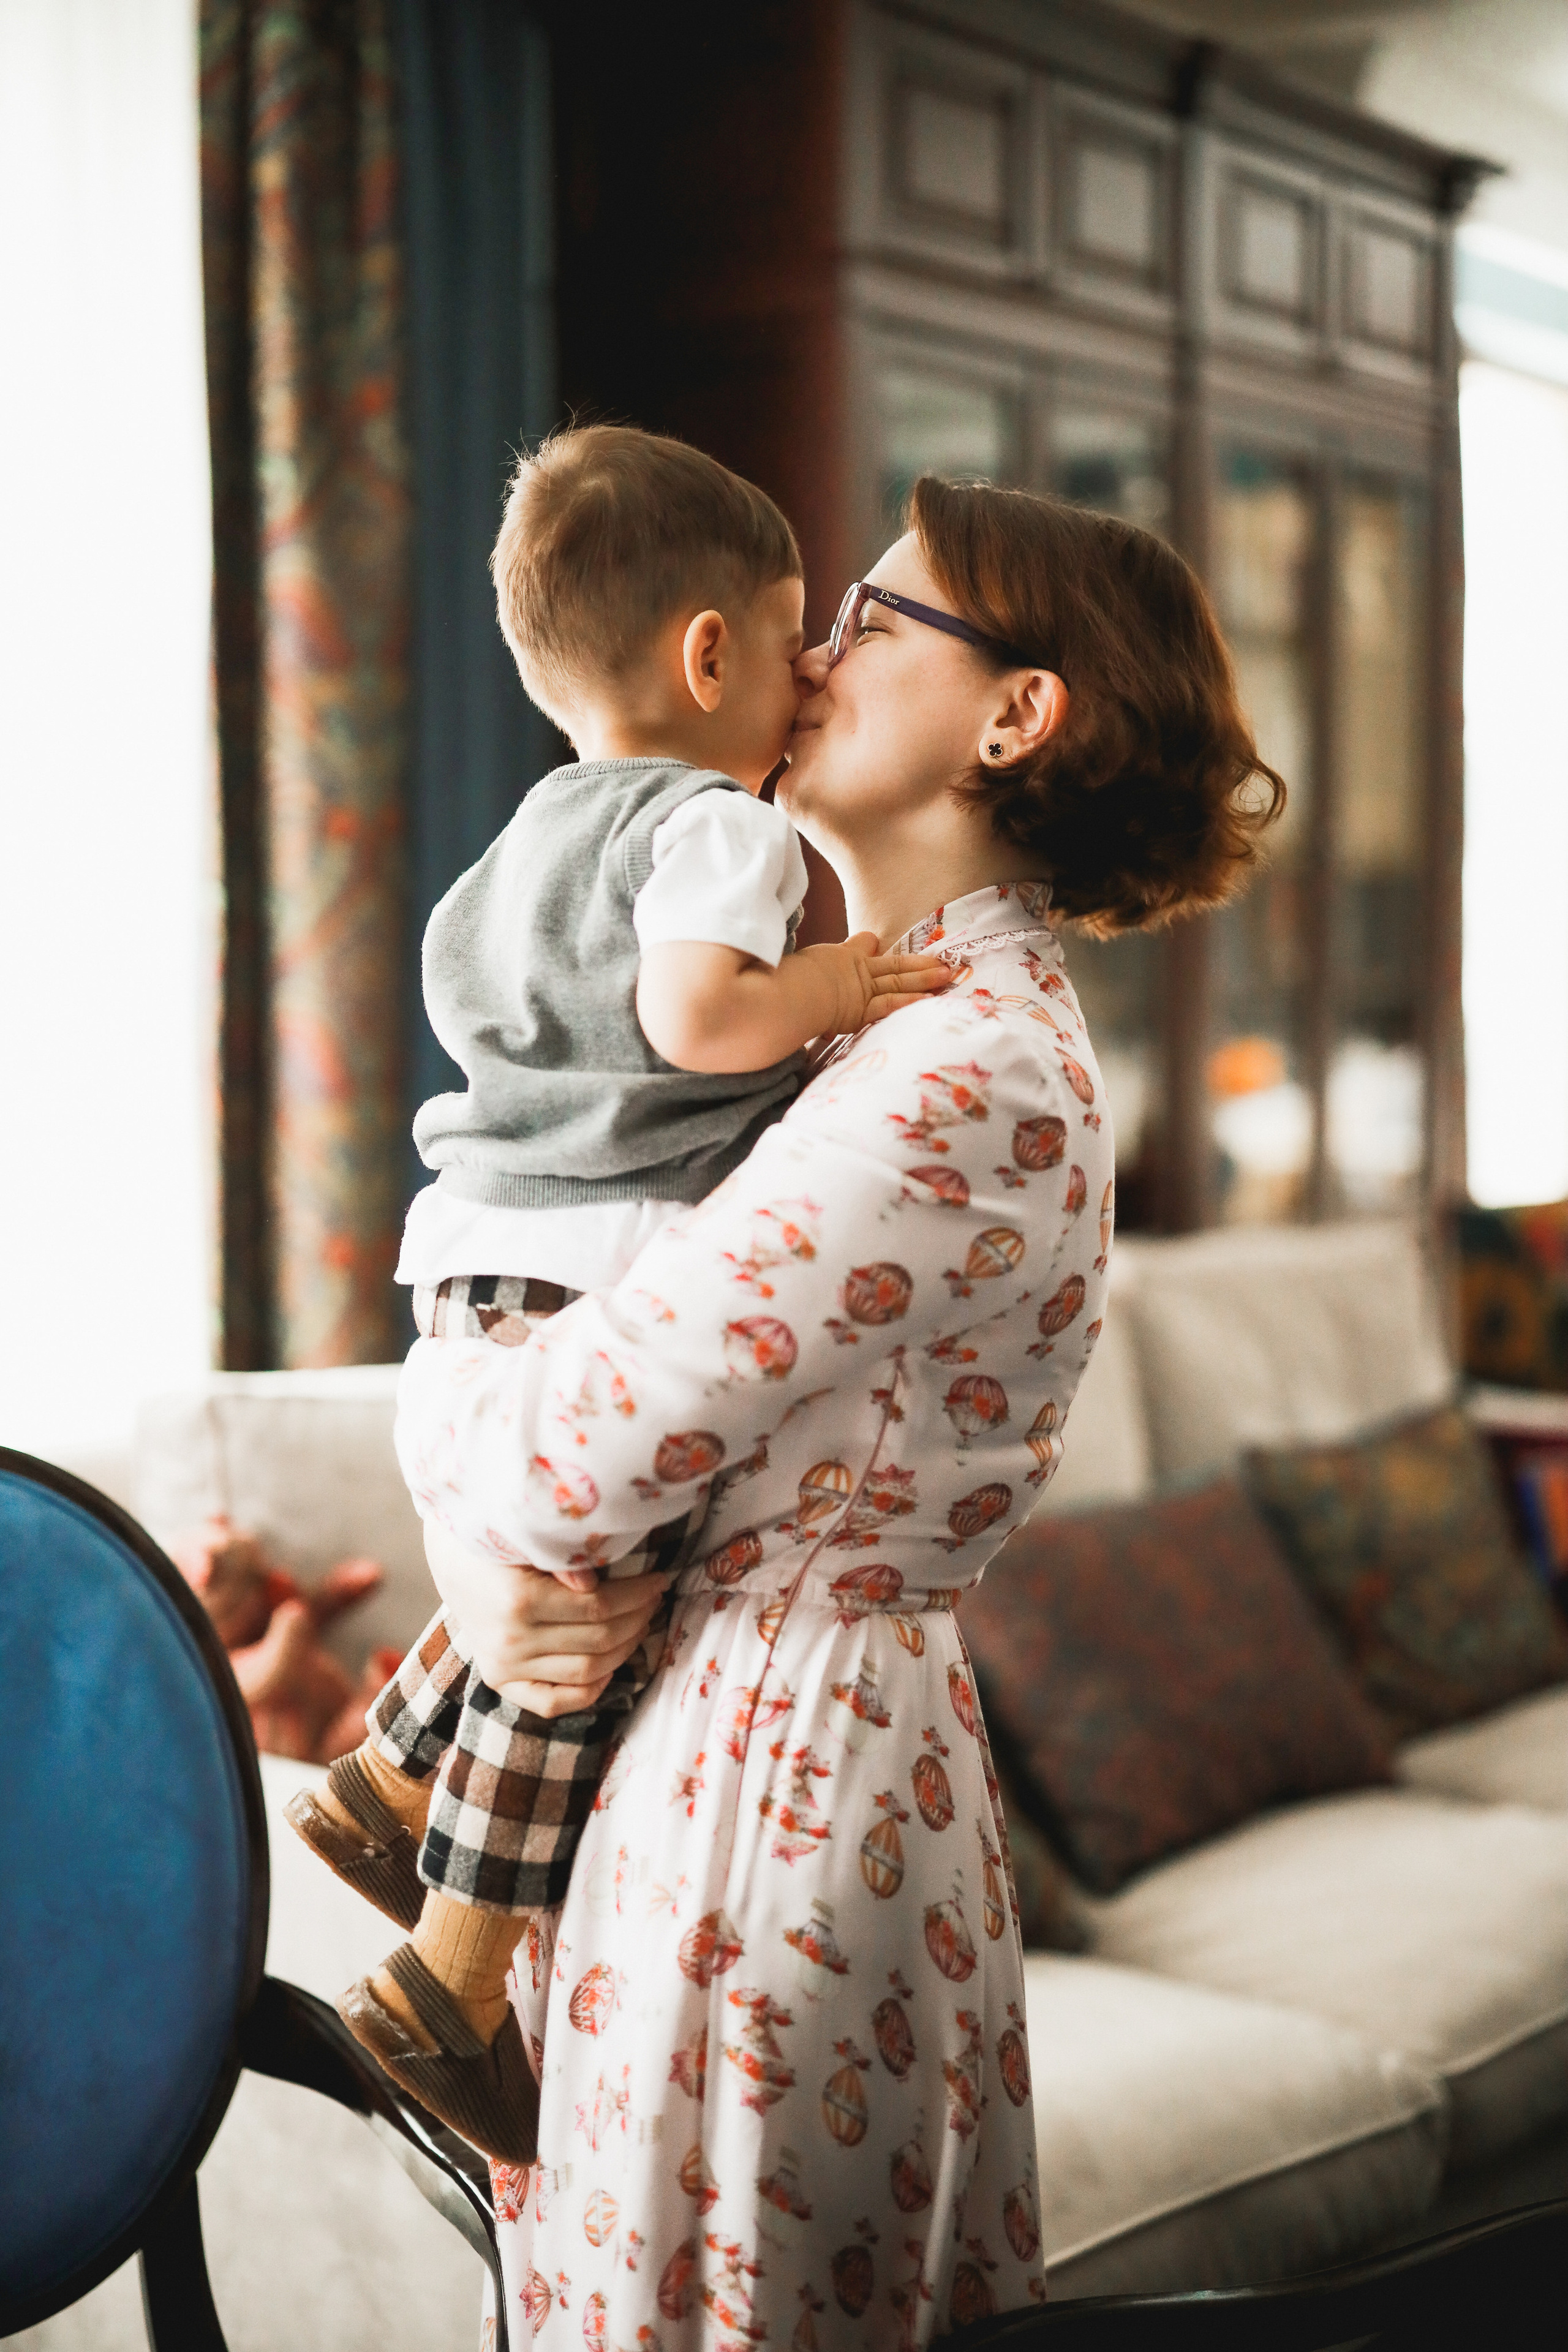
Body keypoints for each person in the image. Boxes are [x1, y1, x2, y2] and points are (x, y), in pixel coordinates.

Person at [401, 473, 1285, 2345]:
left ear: (1015, 713)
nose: (812, 654)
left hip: (766, 1790)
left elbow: (570, 1451)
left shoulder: (962, 1070)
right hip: (697, 1744)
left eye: (876, 623)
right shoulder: (856, 1034)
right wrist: (483, 1551)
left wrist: (473, 1508)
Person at [285, 425, 953, 2163]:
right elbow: (694, 1026)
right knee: (586, 1637)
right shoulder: (713, 831)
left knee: (556, 1591)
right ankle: (450, 1978)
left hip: (473, 1247)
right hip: (602, 1262)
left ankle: (392, 1772)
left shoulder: (527, 835)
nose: (820, 671)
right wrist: (843, 981)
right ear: (707, 656)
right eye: (803, 632)